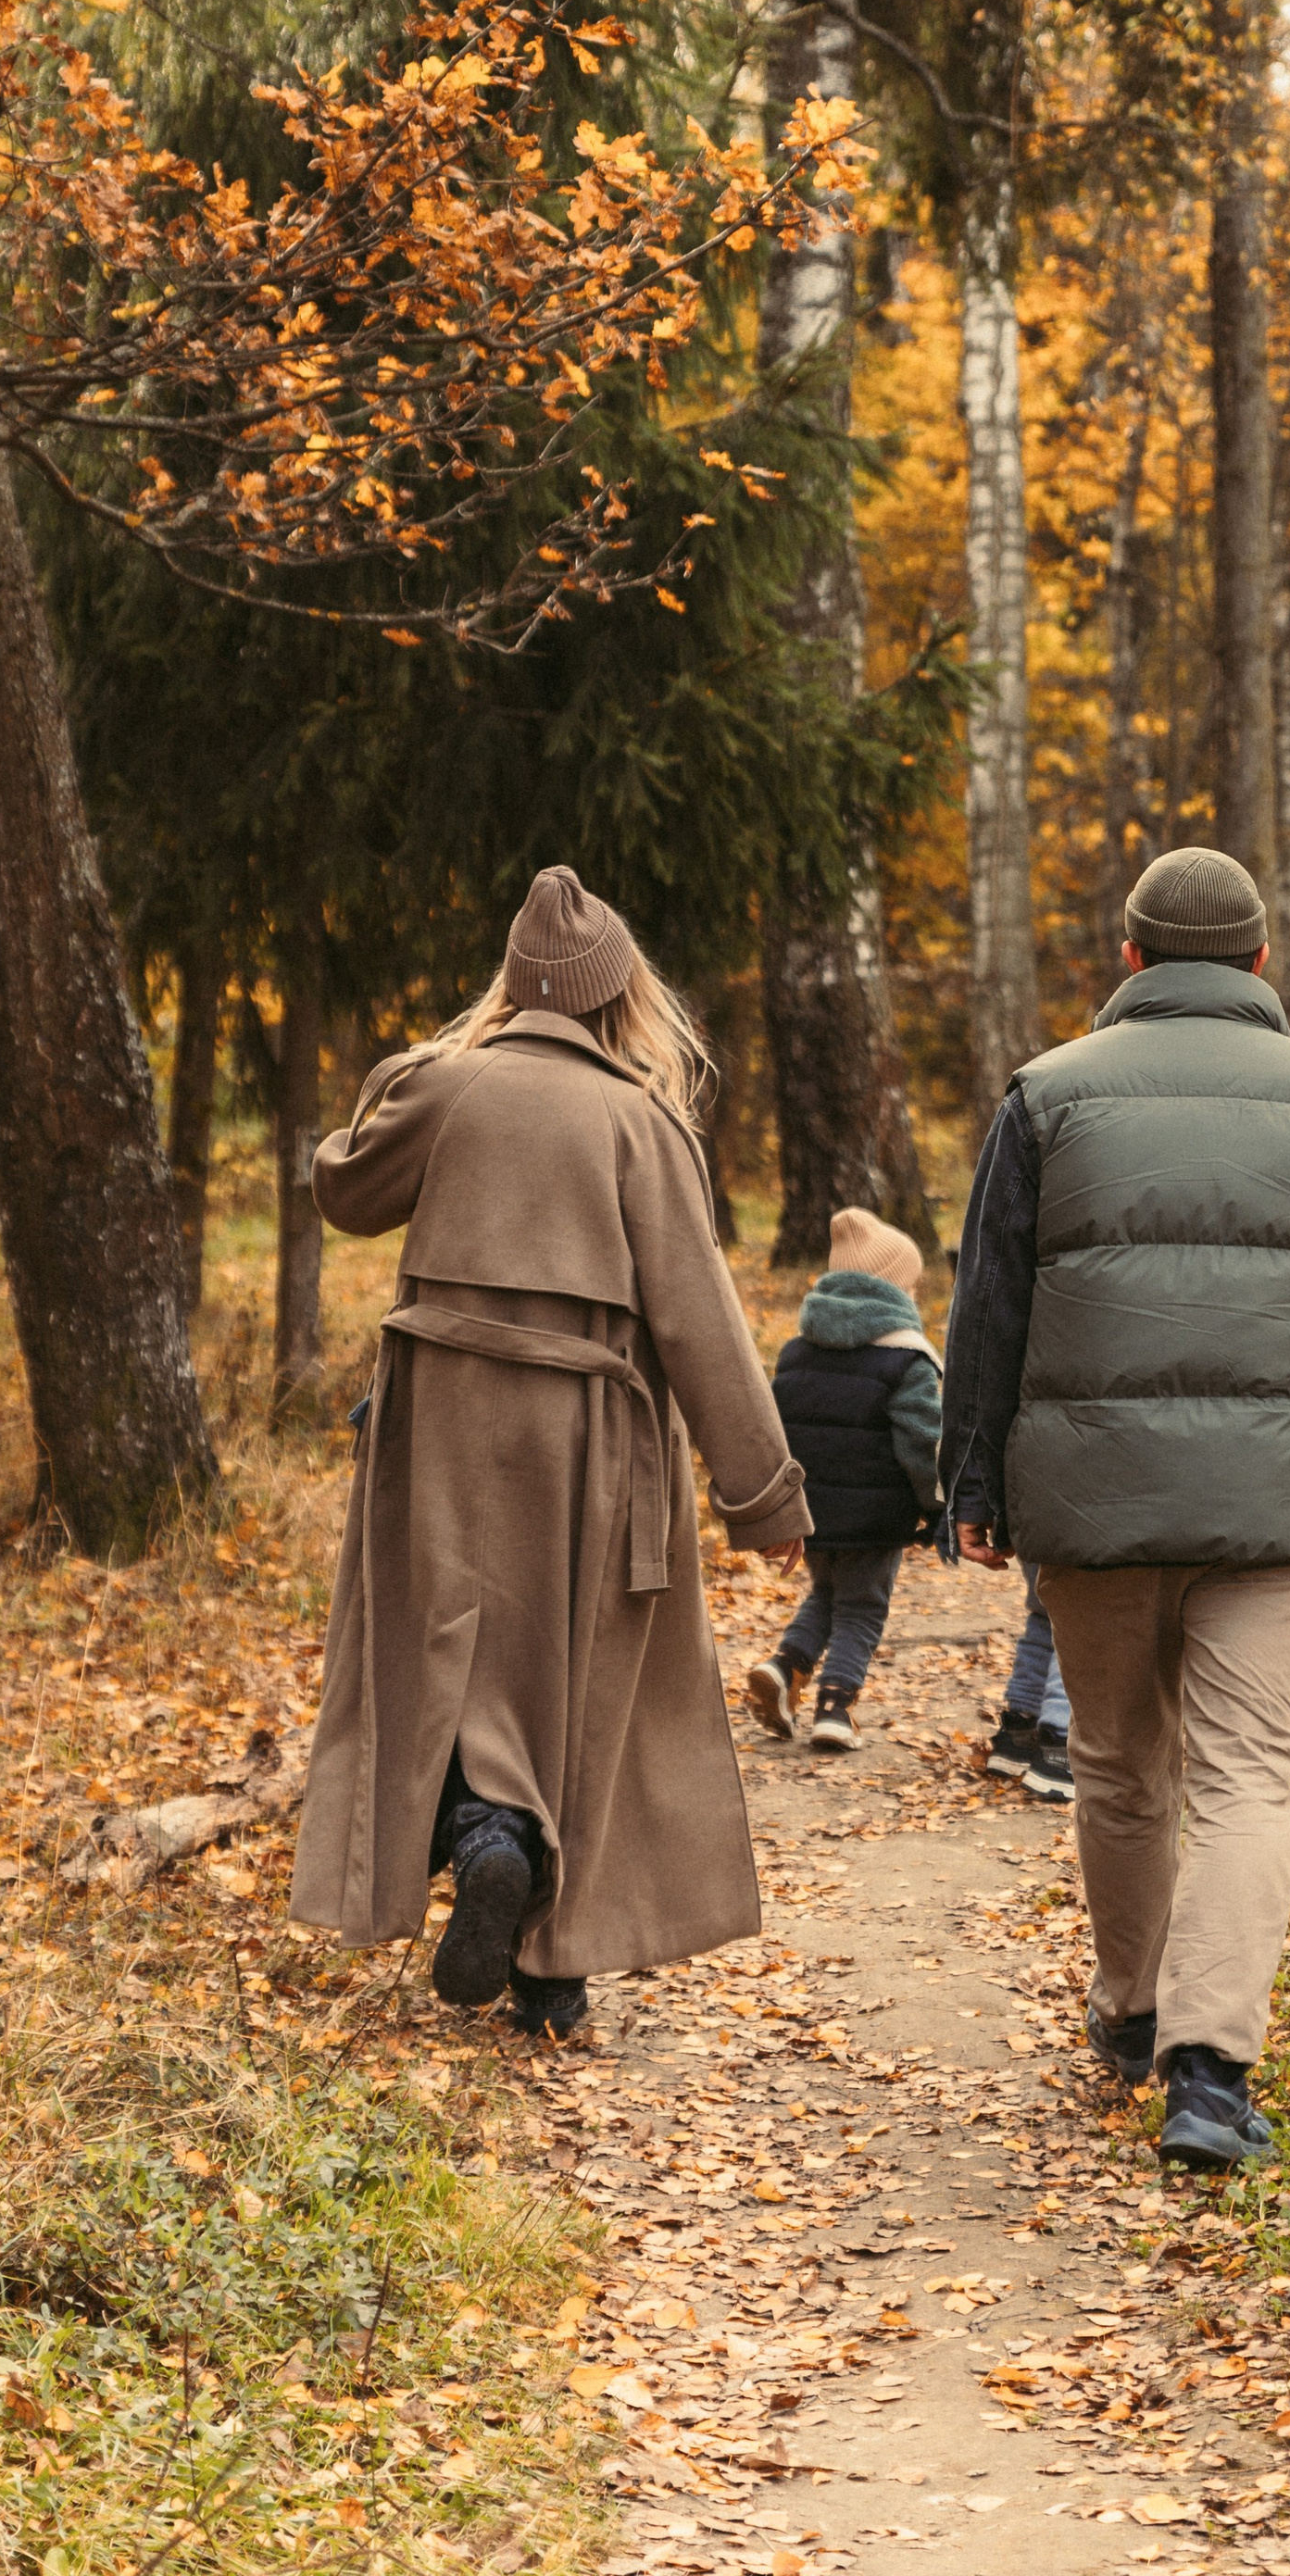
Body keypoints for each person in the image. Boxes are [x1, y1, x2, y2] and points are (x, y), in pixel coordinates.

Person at [941, 845, 1290, 2170]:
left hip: (1093, 1497)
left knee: (1118, 1766)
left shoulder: (1046, 1095)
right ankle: (1210, 2078)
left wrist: (972, 1485)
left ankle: (1130, 2012)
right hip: (1278, 1499)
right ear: (1263, 962)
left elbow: (987, 1302)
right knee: (1247, 1778)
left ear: (1130, 960)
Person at [289, 866, 809, 2037]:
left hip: (440, 1417)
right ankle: (549, 1963)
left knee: (445, 1656)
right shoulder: (641, 1118)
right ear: (621, 995)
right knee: (571, 1674)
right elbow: (699, 1316)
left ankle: (485, 1838)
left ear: (513, 986)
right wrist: (763, 1492)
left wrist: (396, 1078)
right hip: (589, 1432)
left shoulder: (444, 1088)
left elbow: (345, 1187)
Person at [746, 1207, 942, 1752]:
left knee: (828, 1594)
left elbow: (776, 1432)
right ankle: (836, 1705)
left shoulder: (796, 1352)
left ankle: (784, 1667)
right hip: (875, 1519)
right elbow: (922, 1444)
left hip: (810, 1514)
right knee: (862, 1607)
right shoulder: (908, 1360)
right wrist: (938, 1505)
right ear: (894, 1289)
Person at [983, 1565, 1072, 1804]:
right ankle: (1062, 1744)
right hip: (1094, 1533)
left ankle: (1021, 1731)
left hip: (1033, 1530)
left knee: (1047, 1609)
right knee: (1084, 1612)